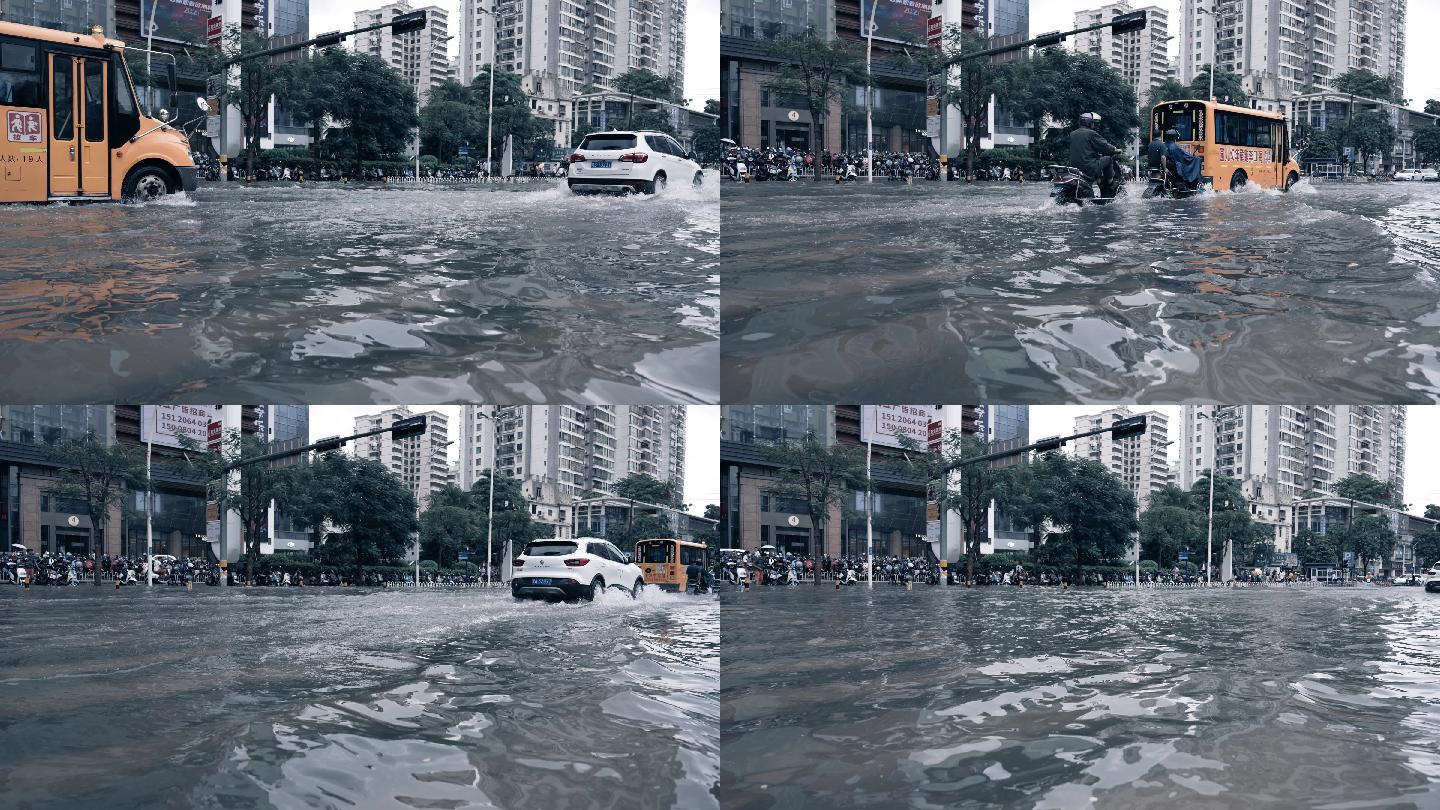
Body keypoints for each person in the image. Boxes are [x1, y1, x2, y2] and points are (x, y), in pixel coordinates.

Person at [1068, 111, 1123, 196]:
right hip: (1088, 166)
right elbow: (1104, 146)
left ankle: (1099, 180)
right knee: (1108, 159)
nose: (1094, 125)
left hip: (1074, 168)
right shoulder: (1091, 133)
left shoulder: (1072, 134)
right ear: (1089, 123)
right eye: (1093, 123)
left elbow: (1084, 149)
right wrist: (1115, 149)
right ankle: (1110, 182)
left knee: (1097, 160)